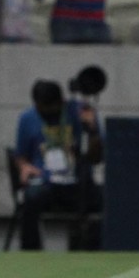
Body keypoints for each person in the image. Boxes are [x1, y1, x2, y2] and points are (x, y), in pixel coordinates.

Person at [14, 79, 102, 251]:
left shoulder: (78, 113)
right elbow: (20, 156)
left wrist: (92, 130)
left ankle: (91, 250)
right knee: (31, 198)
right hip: (45, 181)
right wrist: (24, 167)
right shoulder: (27, 118)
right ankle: (31, 251)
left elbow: (96, 157)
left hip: (75, 182)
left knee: (102, 200)